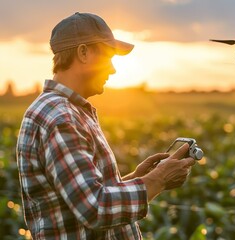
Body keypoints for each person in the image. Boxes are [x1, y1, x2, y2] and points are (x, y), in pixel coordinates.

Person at [16, 12, 196, 239]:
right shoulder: (61, 118)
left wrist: (137, 178)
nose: (113, 70)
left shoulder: (64, 111)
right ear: (83, 52)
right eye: (108, 58)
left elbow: (77, 196)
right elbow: (95, 208)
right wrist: (157, 179)